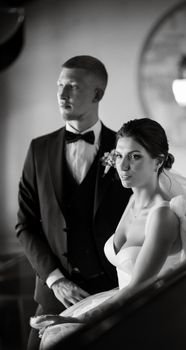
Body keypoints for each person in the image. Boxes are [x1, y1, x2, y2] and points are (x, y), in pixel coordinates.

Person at [31, 118, 186, 349]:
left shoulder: (162, 216)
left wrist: (77, 319)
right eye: (119, 156)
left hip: (146, 315)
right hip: (121, 304)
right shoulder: (131, 201)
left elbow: (138, 285)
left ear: (158, 161)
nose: (123, 166)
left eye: (135, 156)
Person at [15, 55, 132, 350]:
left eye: (74, 87)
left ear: (98, 94)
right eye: (59, 86)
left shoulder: (125, 149)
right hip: (54, 295)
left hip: (113, 291)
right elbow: (25, 225)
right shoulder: (38, 149)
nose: (62, 95)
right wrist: (56, 280)